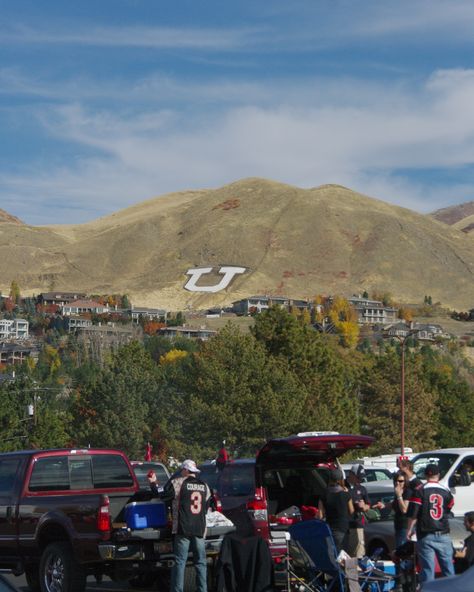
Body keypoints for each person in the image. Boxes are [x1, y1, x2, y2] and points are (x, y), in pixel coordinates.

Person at [148, 459, 212, 592]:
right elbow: (206, 507)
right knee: (201, 563)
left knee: (180, 562)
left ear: (185, 470)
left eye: (182, 470)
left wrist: (153, 482)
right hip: (200, 529)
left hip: (182, 528)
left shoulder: (177, 483)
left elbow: (161, 495)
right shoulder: (205, 486)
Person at [406, 463, 455, 584]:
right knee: (448, 569)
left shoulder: (420, 490)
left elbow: (414, 514)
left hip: (426, 533)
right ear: (438, 475)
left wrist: (409, 530)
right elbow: (449, 508)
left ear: (426, 475)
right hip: (443, 533)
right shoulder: (446, 490)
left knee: (428, 570)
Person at [318, 468, 354, 553]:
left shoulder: (324, 495)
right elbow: (352, 511)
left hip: (329, 529)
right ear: (341, 479)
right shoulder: (346, 494)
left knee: (332, 555)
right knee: (342, 556)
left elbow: (320, 515)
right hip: (343, 529)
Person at [346, 464, 371, 558]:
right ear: (351, 474)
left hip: (357, 524)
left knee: (359, 551)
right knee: (346, 553)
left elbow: (368, 505)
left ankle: (358, 571)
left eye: (361, 478)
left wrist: (364, 506)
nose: (359, 480)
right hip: (344, 525)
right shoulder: (343, 486)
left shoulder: (362, 488)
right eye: (358, 477)